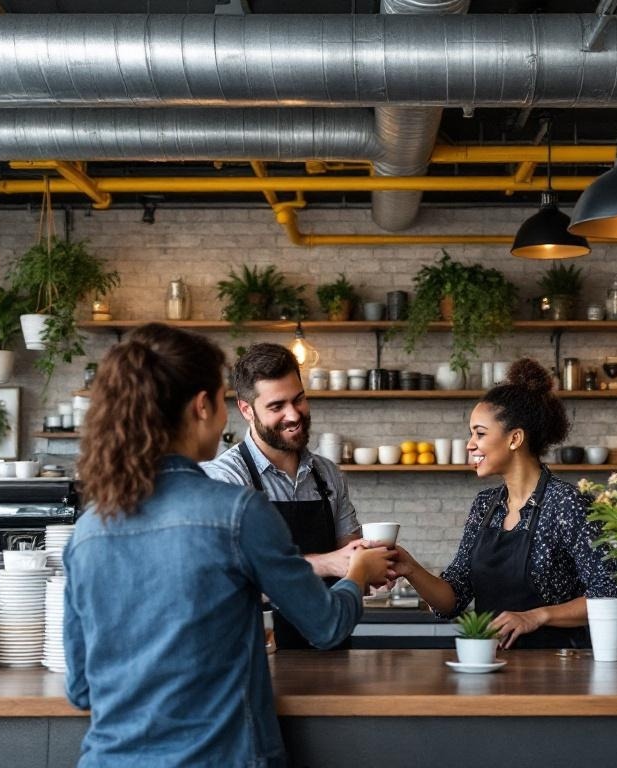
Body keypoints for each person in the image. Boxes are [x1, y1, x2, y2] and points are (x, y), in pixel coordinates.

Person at [64, 323, 392, 767]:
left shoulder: (87, 531)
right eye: (221, 401)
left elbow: (82, 688)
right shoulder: (237, 512)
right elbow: (328, 625)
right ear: (204, 406)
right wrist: (356, 573)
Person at [391, 358, 617, 649]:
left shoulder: (567, 503)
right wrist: (410, 568)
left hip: (560, 665)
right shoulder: (485, 506)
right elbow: (453, 599)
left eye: (480, 433)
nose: (470, 444)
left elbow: (609, 594)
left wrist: (537, 616)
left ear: (515, 439)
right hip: (490, 662)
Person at [203, 342, 380, 649]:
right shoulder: (226, 478)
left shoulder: (328, 475)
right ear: (246, 410)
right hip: (261, 653)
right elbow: (231, 581)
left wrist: (370, 567)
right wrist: (328, 564)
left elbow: (350, 561)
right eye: (277, 407)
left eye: (298, 399)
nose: (294, 415)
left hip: (332, 646)